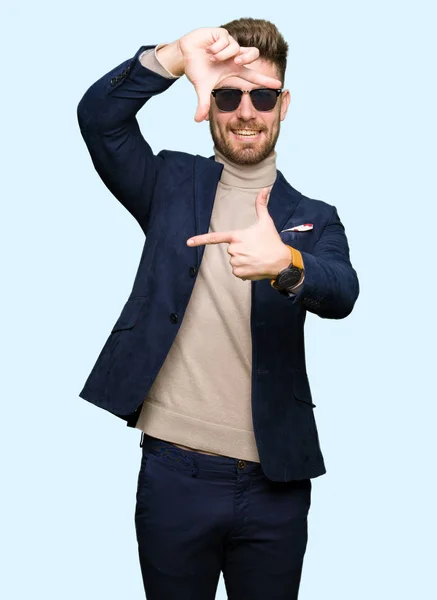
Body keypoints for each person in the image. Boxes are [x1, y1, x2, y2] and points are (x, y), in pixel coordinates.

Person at [77, 18, 359, 600]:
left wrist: (286, 262)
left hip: (275, 486)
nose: (245, 111)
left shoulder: (314, 217)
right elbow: (99, 119)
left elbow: (343, 291)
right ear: (211, 99)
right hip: (175, 476)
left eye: (262, 96)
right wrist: (174, 56)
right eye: (229, 94)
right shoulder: (170, 183)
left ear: (284, 105)